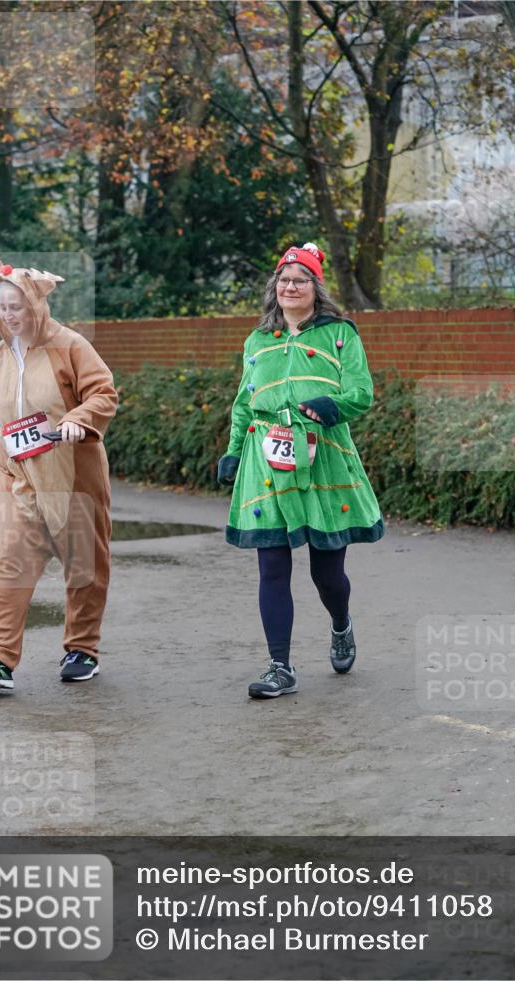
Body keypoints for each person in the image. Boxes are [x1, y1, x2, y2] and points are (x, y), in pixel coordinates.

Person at [218, 242, 384, 699]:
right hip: (266, 460)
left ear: (315, 288)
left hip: (323, 456)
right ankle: (280, 666)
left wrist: (332, 405)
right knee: (271, 566)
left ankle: (340, 623)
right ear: (275, 287)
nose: (290, 287)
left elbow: (362, 392)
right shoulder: (257, 341)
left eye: (300, 280)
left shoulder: (340, 335)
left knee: (327, 574)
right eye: (284, 280)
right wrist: (233, 450)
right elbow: (243, 402)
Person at [0, 250, 118, 692]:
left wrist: (77, 419)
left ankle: (82, 649)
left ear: (35, 304)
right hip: (16, 480)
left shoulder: (71, 346)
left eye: (17, 306)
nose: (9, 315)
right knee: (9, 564)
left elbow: (104, 393)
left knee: (84, 565)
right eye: (2, 307)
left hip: (73, 477)